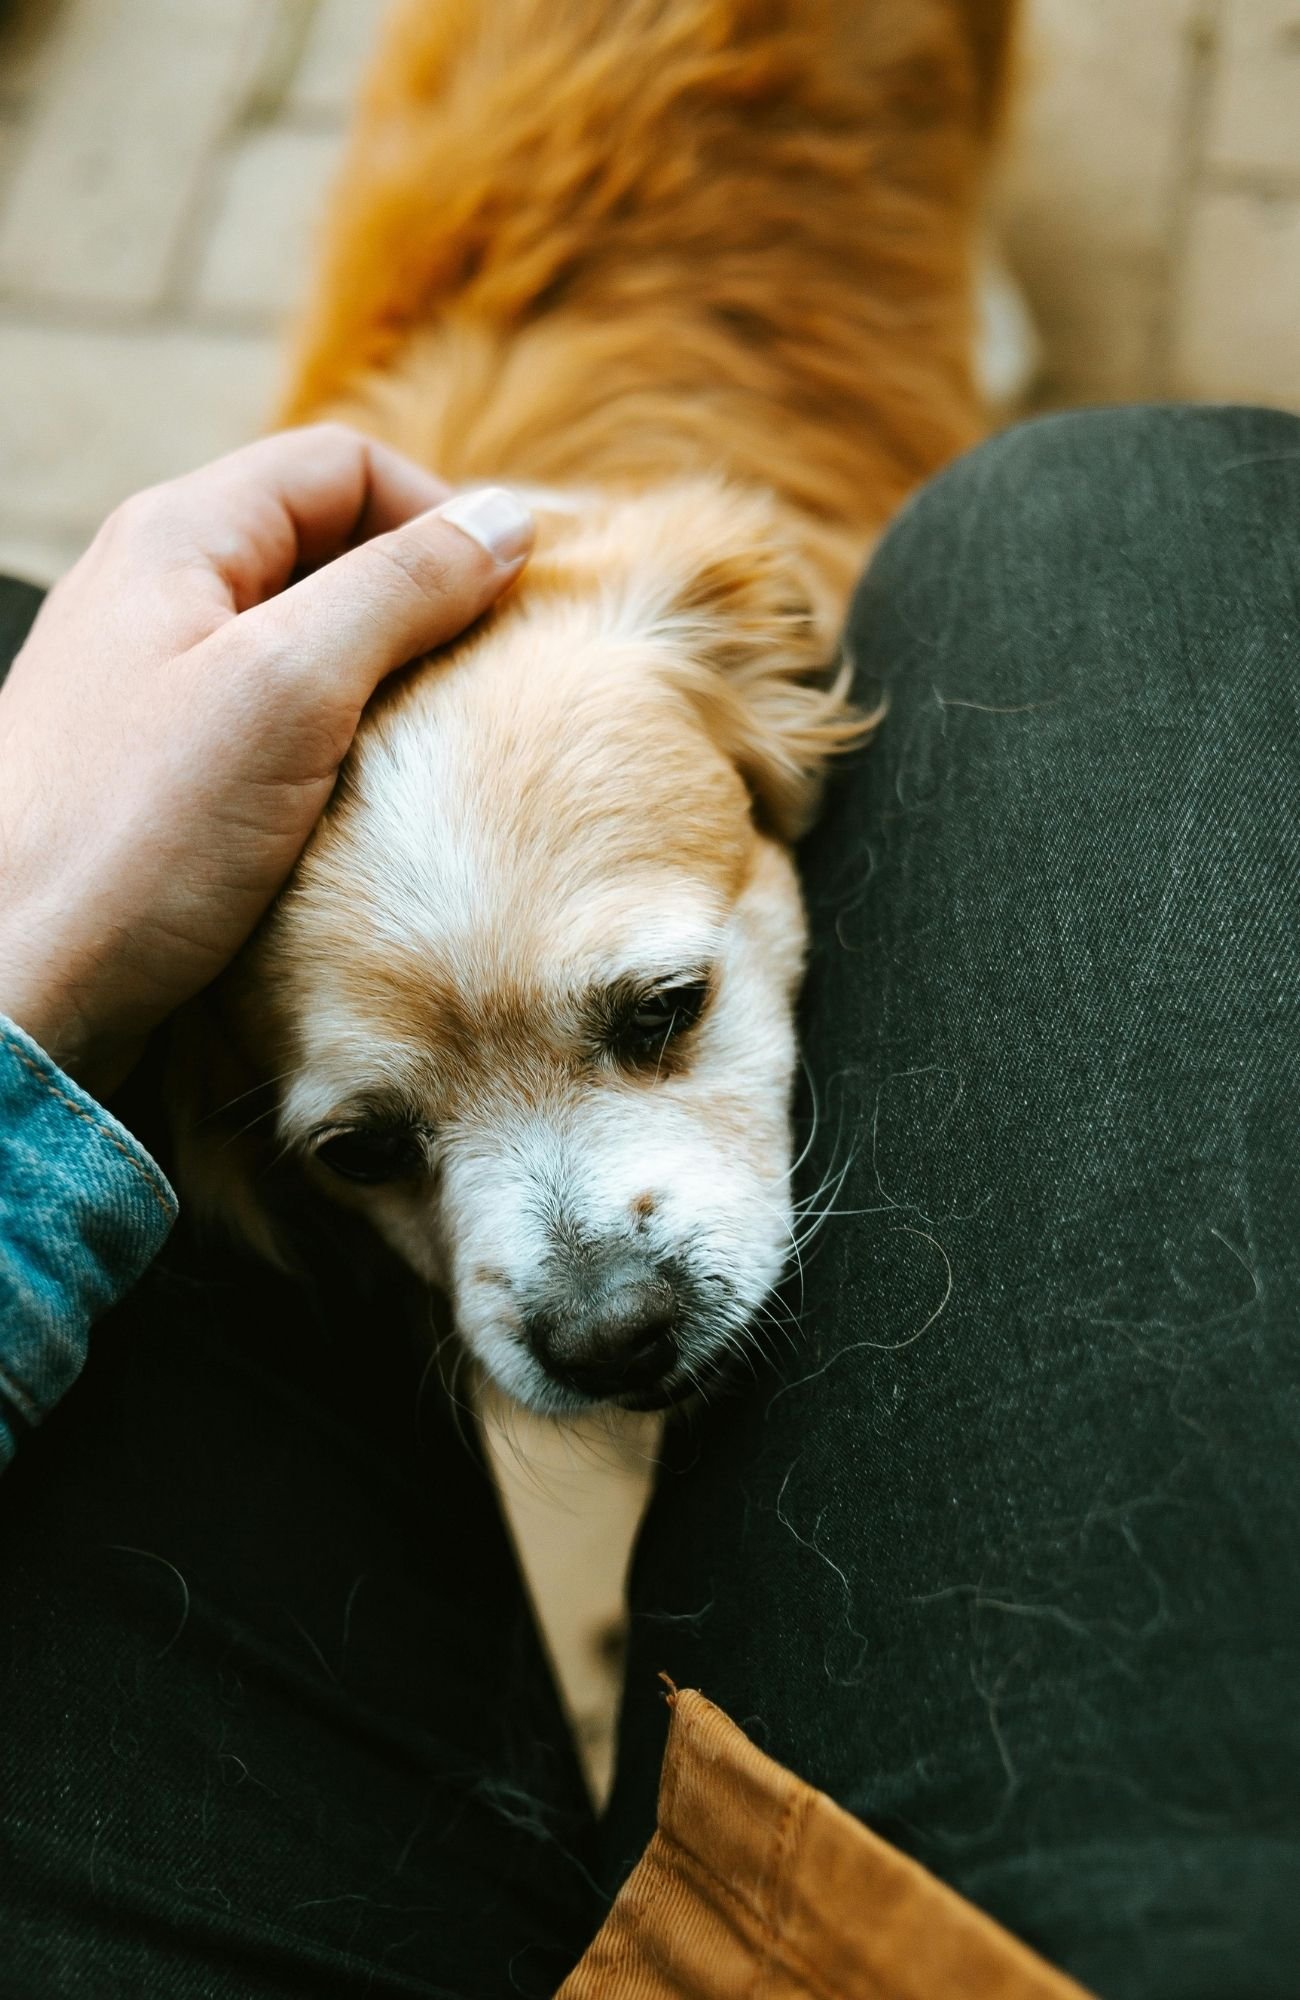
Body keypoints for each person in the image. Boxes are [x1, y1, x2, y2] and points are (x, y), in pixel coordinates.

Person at [0, 406, 1296, 1999]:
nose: (589, 1299)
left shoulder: (711, 635)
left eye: (652, 1012)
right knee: (1115, 502)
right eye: (377, 1148)